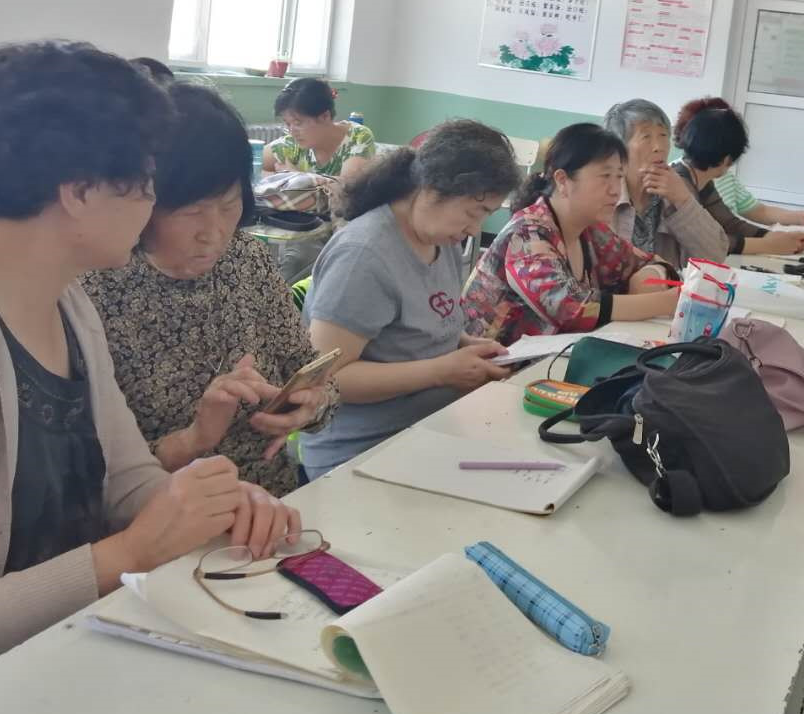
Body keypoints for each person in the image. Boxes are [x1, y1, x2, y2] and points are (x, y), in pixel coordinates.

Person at [0, 42, 298, 714]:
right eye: (147, 185)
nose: (153, 208)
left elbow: (124, 478)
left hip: (61, 659)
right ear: (79, 191)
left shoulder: (66, 300)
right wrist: (124, 554)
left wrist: (217, 503)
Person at [83, 82, 337, 497]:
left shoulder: (247, 259)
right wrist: (194, 439)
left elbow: (312, 371)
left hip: (272, 500)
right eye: (191, 211)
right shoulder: (94, 288)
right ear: (142, 202)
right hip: (164, 516)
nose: (214, 232)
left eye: (228, 205)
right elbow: (90, 473)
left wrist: (310, 406)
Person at [299, 120, 522, 479]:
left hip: (429, 431)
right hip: (361, 453)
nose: (474, 229)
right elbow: (325, 378)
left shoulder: (440, 239)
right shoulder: (364, 256)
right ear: (431, 189)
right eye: (473, 212)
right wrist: (442, 371)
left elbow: (416, 326)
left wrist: (464, 344)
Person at [463, 123, 680, 346]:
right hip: (490, 362)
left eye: (619, 177)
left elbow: (646, 262)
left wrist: (651, 274)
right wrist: (666, 303)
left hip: (550, 356)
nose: (615, 190)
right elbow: (569, 308)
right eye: (605, 176)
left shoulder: (592, 232)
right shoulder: (527, 233)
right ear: (562, 180)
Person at [672, 97, 804, 257]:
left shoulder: (700, 180)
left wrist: (776, 237)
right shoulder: (678, 185)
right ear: (727, 158)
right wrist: (768, 244)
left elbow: (729, 223)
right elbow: (707, 242)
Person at [601, 98, 730, 270]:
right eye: (646, 137)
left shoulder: (675, 189)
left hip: (667, 286)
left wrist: (683, 200)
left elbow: (715, 255)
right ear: (619, 148)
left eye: (663, 136)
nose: (658, 147)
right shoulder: (604, 195)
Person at [261, 76, 376, 184]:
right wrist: (279, 176)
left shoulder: (358, 137)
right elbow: (252, 165)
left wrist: (297, 177)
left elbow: (347, 186)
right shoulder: (292, 145)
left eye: (298, 123)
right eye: (287, 123)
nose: (292, 131)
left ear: (325, 116)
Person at [713, 171, 804, 229]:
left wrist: (799, 217)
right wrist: (767, 242)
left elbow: (761, 211)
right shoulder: (702, 184)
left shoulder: (725, 176)